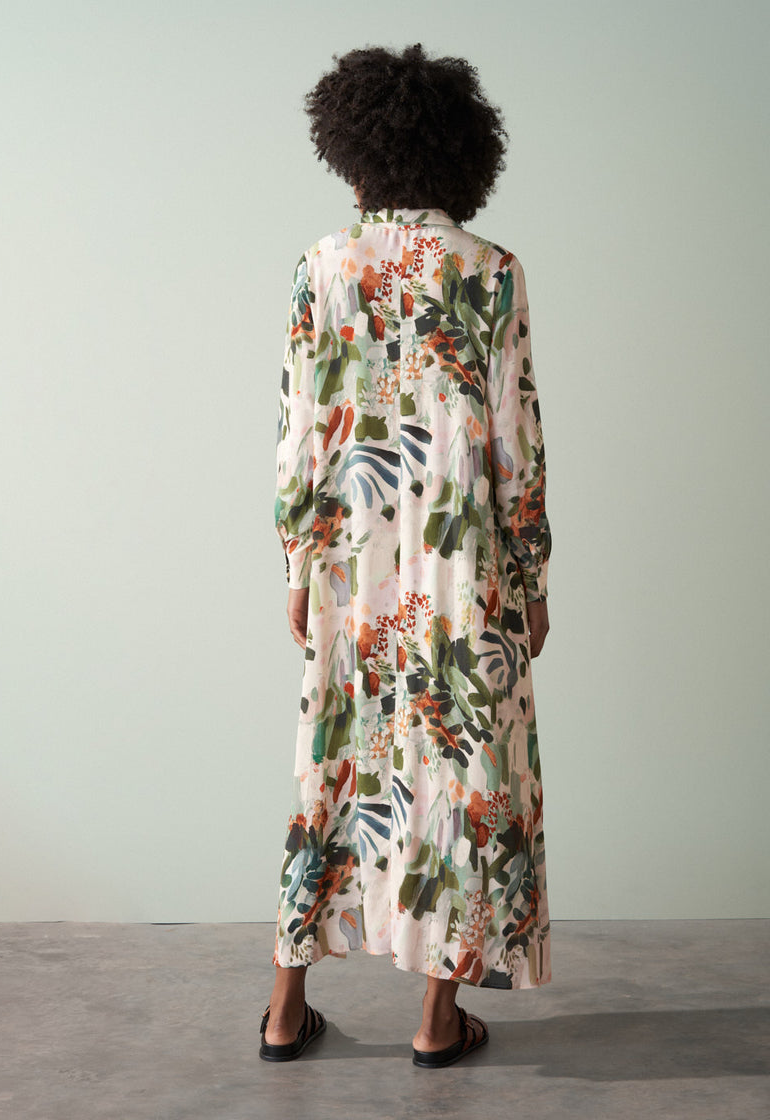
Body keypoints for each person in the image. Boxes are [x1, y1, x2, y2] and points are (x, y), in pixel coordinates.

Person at [261, 42, 553, 1068]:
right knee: (458, 767)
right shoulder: (489, 273)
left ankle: (285, 1008)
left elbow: (300, 431)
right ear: (461, 155)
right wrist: (532, 582)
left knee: (334, 763)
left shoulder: (319, 267)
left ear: (354, 156)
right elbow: (514, 442)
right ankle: (436, 1021)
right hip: (459, 568)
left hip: (349, 563)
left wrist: (298, 567)